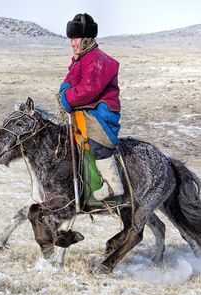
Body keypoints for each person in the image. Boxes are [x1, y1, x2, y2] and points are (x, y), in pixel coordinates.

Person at [58, 13, 123, 201]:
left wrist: (66, 98)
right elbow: (70, 80)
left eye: (75, 38)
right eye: (71, 39)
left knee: (96, 140)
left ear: (86, 39)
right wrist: (65, 89)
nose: (72, 43)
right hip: (89, 107)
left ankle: (113, 184)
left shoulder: (97, 60)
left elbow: (88, 90)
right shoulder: (80, 58)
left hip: (102, 110)